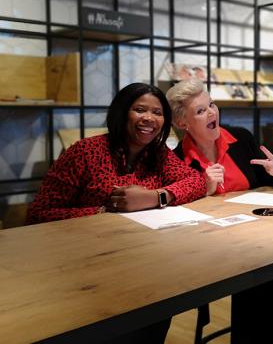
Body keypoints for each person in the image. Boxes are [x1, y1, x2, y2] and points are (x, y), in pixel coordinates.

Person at [27, 82, 207, 343]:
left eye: (157, 113)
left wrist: (155, 196)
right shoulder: (85, 152)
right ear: (122, 112)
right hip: (85, 270)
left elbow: (196, 181)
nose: (149, 118)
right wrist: (103, 210)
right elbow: (39, 214)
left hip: (146, 265)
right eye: (139, 109)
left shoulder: (158, 154)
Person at [166, 78, 273, 344]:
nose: (212, 113)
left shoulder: (241, 139)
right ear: (182, 123)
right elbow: (178, 212)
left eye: (212, 104)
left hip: (260, 239)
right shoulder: (176, 161)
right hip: (215, 248)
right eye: (200, 111)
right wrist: (202, 187)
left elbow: (266, 184)